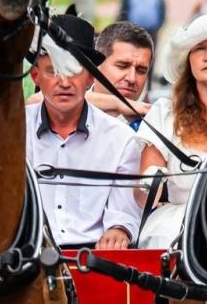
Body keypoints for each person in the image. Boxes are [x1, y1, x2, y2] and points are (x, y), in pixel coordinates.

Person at [26, 13, 141, 250]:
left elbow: (124, 210)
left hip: (93, 254)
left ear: (90, 79)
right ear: (36, 77)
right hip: (27, 253)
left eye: (74, 71)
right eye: (54, 71)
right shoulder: (16, 130)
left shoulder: (121, 139)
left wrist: (119, 229)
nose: (64, 83)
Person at [135, 8, 207, 248]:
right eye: (199, 49)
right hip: (176, 224)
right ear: (188, 60)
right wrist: (148, 185)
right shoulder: (165, 113)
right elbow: (142, 196)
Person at [84, 22, 155, 124]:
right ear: (96, 65)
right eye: (122, 66)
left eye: (141, 70)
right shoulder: (69, 110)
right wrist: (116, 103)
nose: (132, 78)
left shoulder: (155, 122)